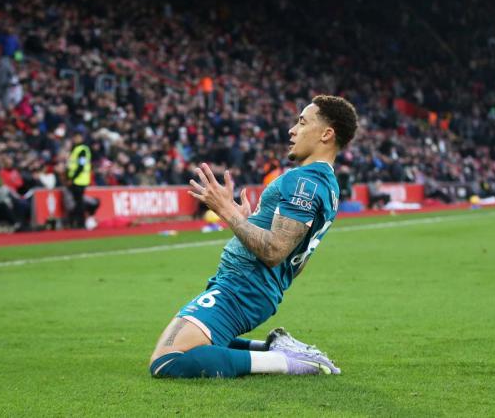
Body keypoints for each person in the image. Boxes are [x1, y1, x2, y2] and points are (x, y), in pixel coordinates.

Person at [149, 95, 358, 378]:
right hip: (247, 285)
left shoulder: (304, 181)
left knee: (168, 360)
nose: (292, 130)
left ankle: (291, 362)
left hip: (243, 287)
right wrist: (246, 223)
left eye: (302, 122)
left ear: (326, 134)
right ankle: (276, 348)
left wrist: (226, 211)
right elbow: (295, 259)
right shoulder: (326, 184)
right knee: (183, 343)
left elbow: (274, 251)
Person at [66, 133, 91, 228]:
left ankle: (79, 222)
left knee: (79, 202)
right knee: (78, 202)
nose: (75, 139)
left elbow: (81, 166)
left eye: (77, 137)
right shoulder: (75, 149)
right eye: (75, 137)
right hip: (76, 180)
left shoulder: (82, 150)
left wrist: (72, 178)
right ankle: (77, 221)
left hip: (79, 180)